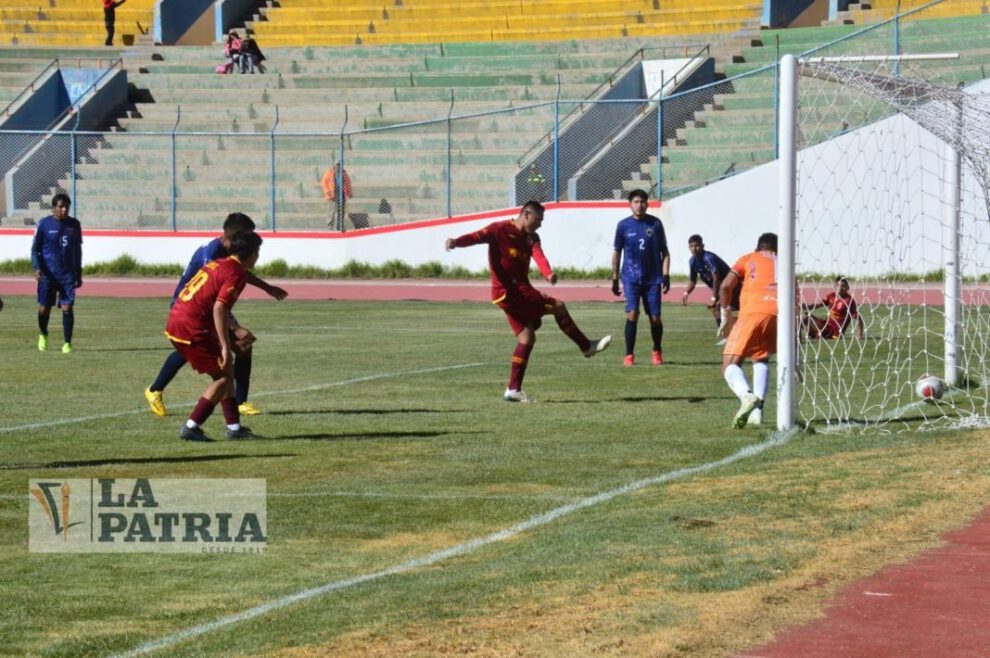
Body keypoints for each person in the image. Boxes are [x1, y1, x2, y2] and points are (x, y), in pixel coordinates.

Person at [445, 201, 611, 402]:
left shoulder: (532, 238)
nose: (540, 224)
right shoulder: (499, 229)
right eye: (538, 220)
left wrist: (548, 273)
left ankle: (513, 390)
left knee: (527, 338)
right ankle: (586, 347)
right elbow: (476, 237)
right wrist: (455, 242)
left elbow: (538, 255)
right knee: (558, 306)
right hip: (510, 291)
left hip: (516, 293)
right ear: (526, 214)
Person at [144, 213, 288, 418]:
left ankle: (238, 403)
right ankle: (162, 395)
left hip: (206, 308)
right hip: (190, 309)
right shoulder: (211, 253)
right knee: (224, 347)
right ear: (235, 234)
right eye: (247, 235)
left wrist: (266, 287)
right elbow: (214, 295)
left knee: (238, 346)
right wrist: (234, 327)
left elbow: (239, 272)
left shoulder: (230, 254)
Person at [165, 231, 264, 442]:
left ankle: (234, 428)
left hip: (179, 319)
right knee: (224, 377)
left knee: (225, 371)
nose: (258, 257)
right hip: (191, 326)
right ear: (251, 254)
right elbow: (219, 308)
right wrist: (226, 347)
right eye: (258, 252)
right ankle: (191, 427)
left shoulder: (219, 263)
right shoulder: (235, 273)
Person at [717, 232, 778, 428]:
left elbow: (726, 286)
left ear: (757, 248)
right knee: (760, 358)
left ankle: (747, 397)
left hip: (752, 313)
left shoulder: (748, 258)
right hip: (778, 314)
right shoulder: (784, 262)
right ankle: (757, 413)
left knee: (729, 365)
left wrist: (725, 313)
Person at [610, 189, 670, 367]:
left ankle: (657, 351)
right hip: (631, 277)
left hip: (653, 278)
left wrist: (666, 275)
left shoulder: (656, 224)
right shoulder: (623, 226)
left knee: (655, 318)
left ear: (647, 204)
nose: (640, 205)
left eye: (643, 201)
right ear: (630, 204)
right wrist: (615, 279)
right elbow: (616, 252)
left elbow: (664, 252)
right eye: (636, 201)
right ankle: (629, 355)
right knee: (632, 313)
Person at [31, 193, 82, 354]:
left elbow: (77, 250)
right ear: (53, 208)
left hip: (67, 275)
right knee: (45, 308)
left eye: (67, 206)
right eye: (61, 206)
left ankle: (67, 343)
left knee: (67, 307)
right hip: (48, 275)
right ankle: (43, 333)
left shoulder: (74, 225)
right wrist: (37, 267)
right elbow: (35, 250)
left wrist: (78, 273)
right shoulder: (44, 225)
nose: (64, 209)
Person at [682, 234, 738, 344]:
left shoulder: (709, 258)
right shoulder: (692, 261)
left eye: (697, 246)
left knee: (721, 307)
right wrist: (686, 292)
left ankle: (733, 335)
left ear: (702, 246)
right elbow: (693, 280)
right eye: (691, 246)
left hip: (731, 286)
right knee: (717, 309)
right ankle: (727, 336)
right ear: (689, 247)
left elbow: (716, 278)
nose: (694, 248)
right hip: (721, 289)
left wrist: (713, 297)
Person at [321, 163, 353, 227]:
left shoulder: (344, 173)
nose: (338, 167)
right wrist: (328, 192)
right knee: (331, 211)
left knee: (341, 211)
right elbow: (324, 183)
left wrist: (349, 193)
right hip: (332, 194)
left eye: (339, 165)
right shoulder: (329, 172)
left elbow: (348, 183)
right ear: (334, 166)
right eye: (337, 165)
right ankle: (330, 226)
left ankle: (340, 225)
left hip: (342, 193)